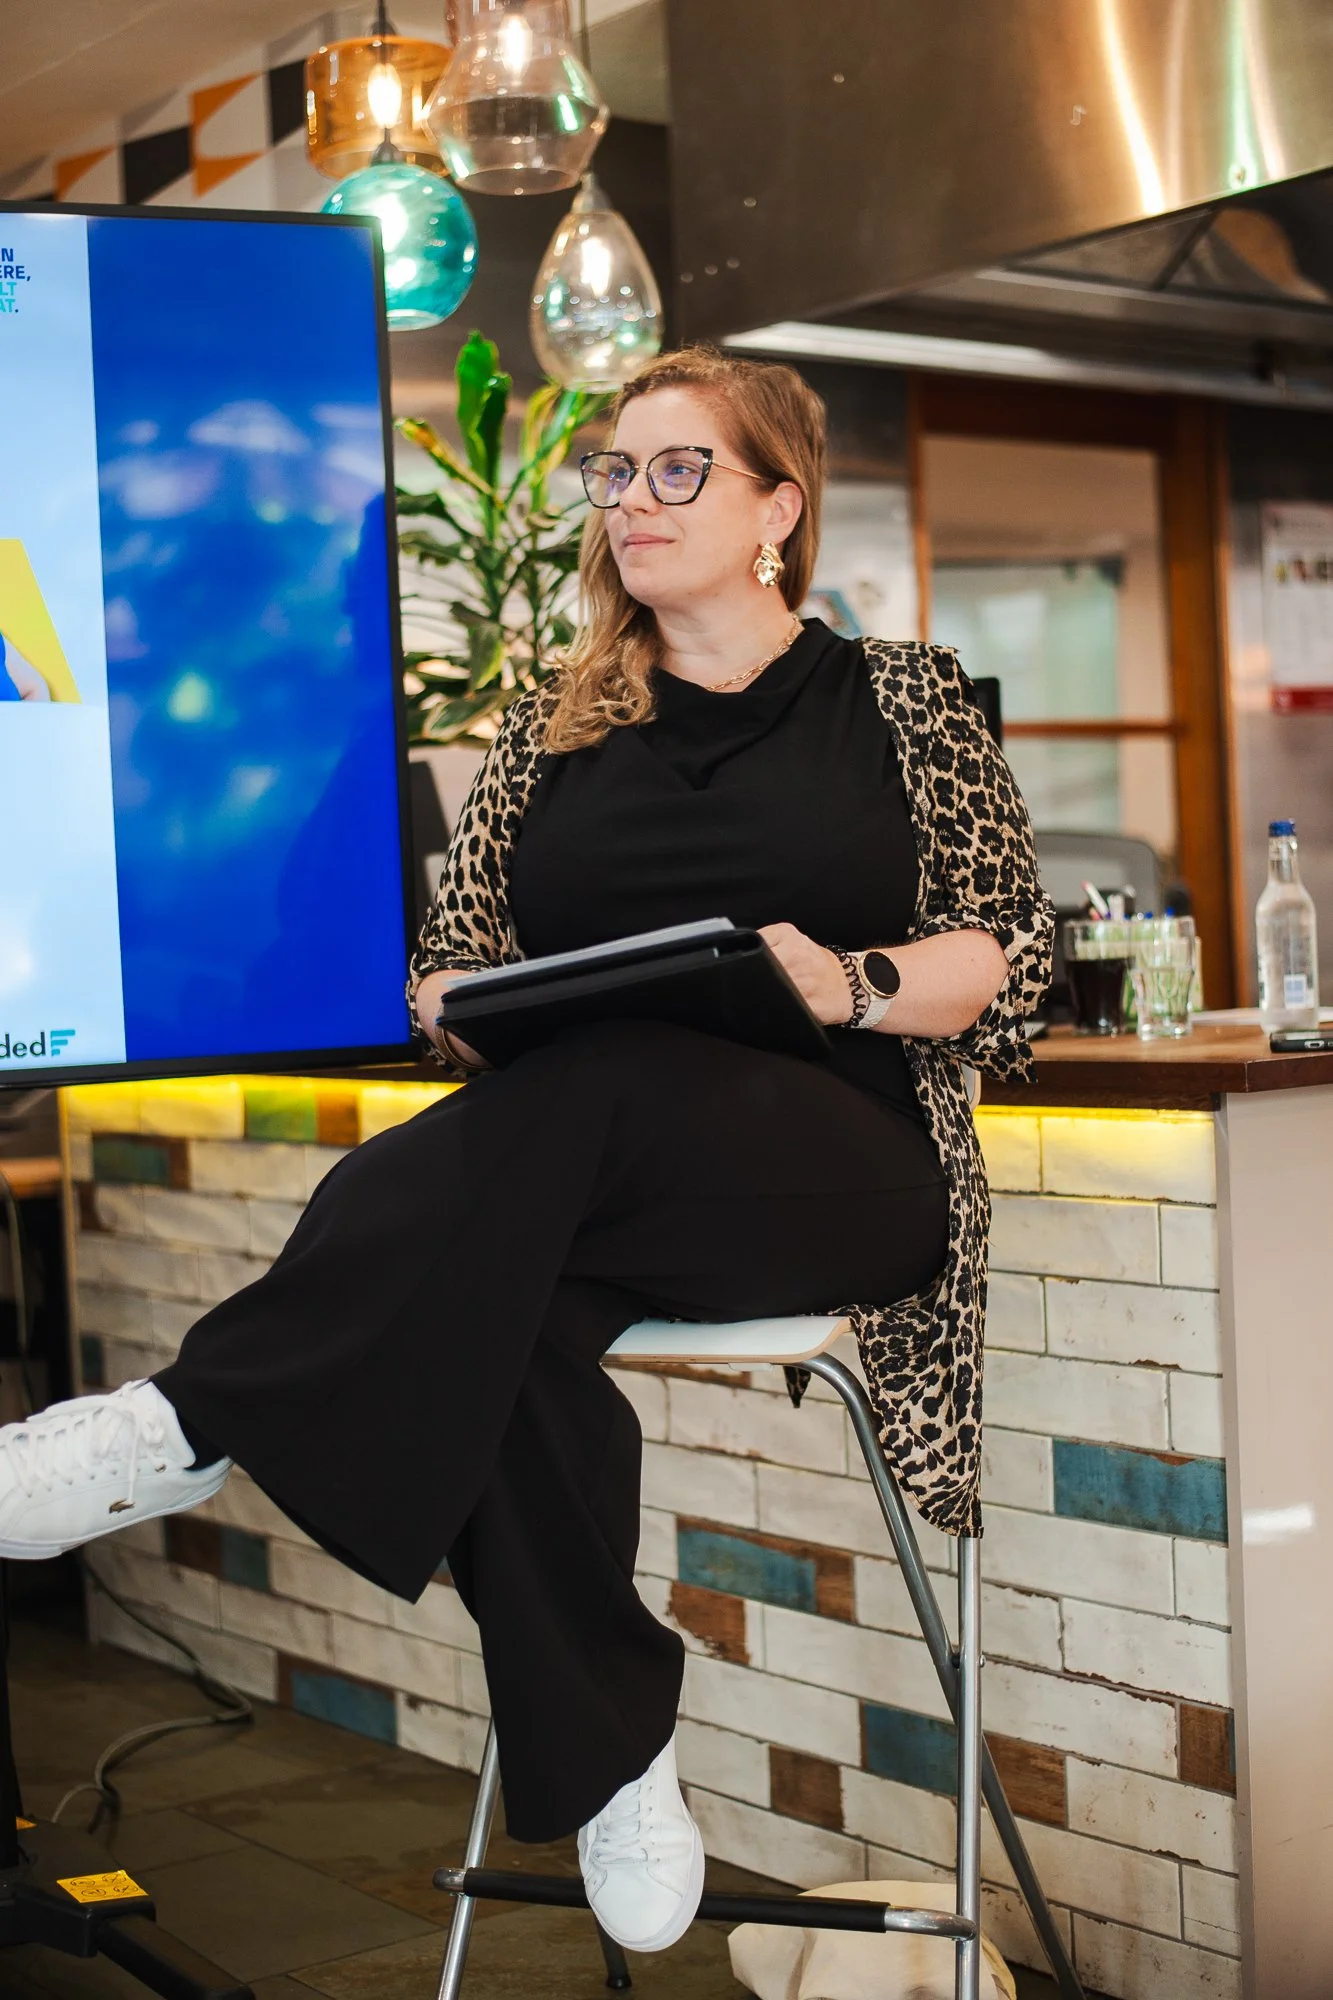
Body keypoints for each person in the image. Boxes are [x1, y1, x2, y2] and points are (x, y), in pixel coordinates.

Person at [0, 348, 1052, 1954]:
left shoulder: (900, 699)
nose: (631, 501)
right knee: (506, 1310)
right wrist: (471, 1006)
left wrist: (842, 978)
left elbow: (1010, 954)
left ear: (778, 504)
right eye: (614, 474)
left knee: (584, 1101)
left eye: (675, 470)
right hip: (590, 1177)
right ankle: (621, 1753)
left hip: (841, 1159)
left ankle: (190, 1418)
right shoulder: (554, 729)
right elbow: (458, 967)